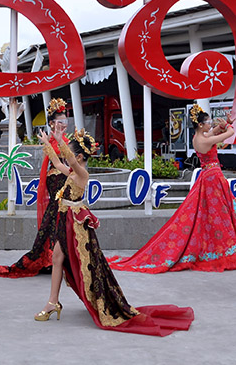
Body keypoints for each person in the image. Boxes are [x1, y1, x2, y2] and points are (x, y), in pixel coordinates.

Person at [35, 128, 193, 335]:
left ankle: (66, 301)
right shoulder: (72, 172)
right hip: (64, 220)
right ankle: (52, 302)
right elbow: (57, 164)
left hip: (75, 226)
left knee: (83, 265)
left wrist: (58, 140)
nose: (66, 158)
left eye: (69, 154)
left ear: (79, 156)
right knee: (57, 258)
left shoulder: (82, 173)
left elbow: (70, 162)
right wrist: (48, 144)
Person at [108, 104, 236, 273]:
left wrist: (223, 124)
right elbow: (229, 134)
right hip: (213, 179)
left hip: (211, 176)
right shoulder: (204, 140)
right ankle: (220, 251)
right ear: (200, 125)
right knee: (217, 214)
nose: (210, 124)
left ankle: (216, 249)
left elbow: (215, 132)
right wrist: (228, 126)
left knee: (211, 214)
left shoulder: (199, 137)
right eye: (208, 122)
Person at [0, 97, 69, 278]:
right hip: (56, 184)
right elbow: (55, 162)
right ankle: (52, 258)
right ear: (51, 123)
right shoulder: (54, 141)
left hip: (64, 183)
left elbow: (69, 161)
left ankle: (61, 258)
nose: (63, 124)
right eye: (59, 121)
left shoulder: (64, 140)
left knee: (59, 221)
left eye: (65, 121)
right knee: (54, 220)